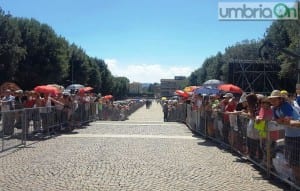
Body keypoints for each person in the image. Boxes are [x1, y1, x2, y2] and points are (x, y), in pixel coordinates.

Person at [268, 90, 300, 185]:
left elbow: (287, 119)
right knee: (290, 160)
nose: (272, 101)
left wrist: (281, 120)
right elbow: (276, 120)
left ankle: (297, 182)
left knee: (295, 162)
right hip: (289, 135)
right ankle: (296, 181)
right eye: (271, 99)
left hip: (297, 135)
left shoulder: (285, 105)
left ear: (280, 99)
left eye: (274, 99)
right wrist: (281, 120)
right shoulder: (274, 108)